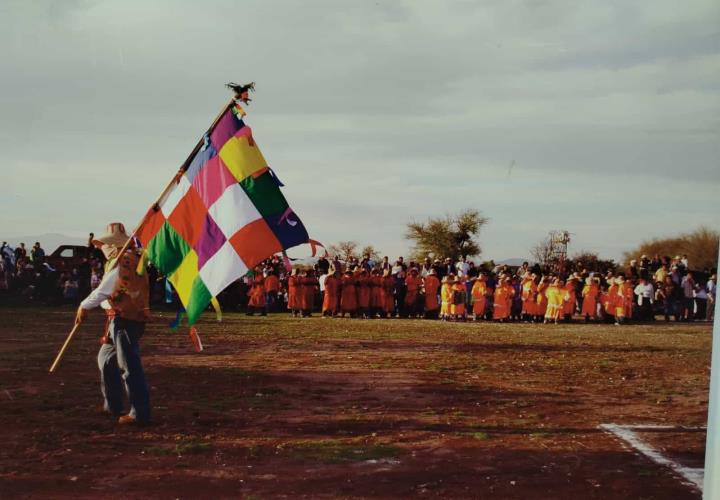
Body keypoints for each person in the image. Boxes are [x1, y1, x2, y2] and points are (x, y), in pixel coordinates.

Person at [75, 223, 151, 425]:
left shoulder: (123, 262)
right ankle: (112, 405)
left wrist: (84, 306)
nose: (103, 248)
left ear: (114, 245)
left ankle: (139, 413)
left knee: (129, 366)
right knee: (106, 361)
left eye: (106, 245)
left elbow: (104, 290)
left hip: (125, 319)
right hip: (120, 318)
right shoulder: (133, 259)